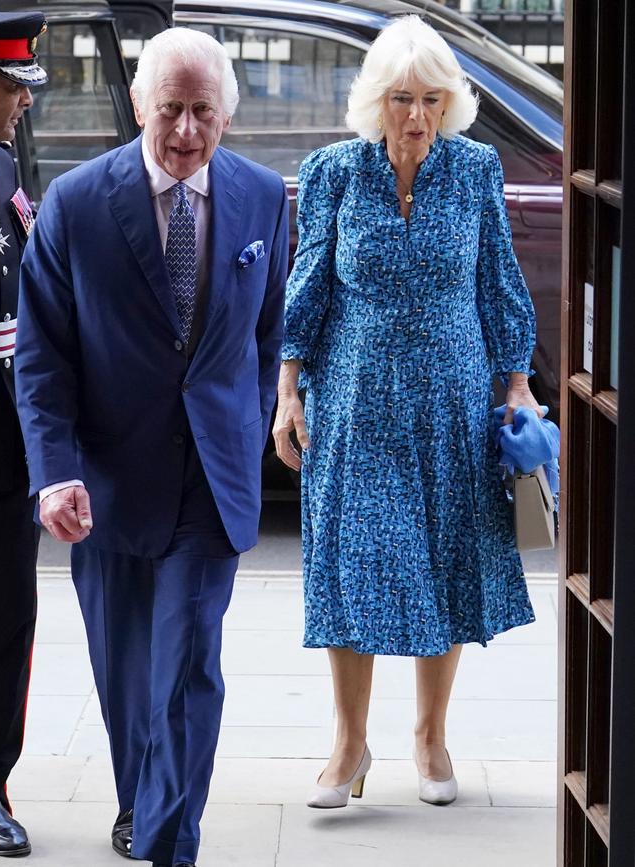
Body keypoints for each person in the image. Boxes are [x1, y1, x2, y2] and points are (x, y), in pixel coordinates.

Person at [14, 27, 288, 867]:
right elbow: (41, 355)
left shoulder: (265, 198)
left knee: (187, 667)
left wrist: (249, 423)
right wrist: (54, 473)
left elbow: (265, 335)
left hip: (213, 479)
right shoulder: (75, 203)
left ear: (228, 116)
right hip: (108, 482)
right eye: (169, 110)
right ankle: (143, 800)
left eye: (203, 112)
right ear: (138, 104)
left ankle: (170, 840)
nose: (184, 132)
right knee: (129, 672)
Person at [273, 15, 542, 810]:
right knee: (352, 566)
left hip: (451, 401)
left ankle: (430, 734)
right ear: (375, 102)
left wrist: (517, 385)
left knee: (448, 559)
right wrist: (288, 391)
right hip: (355, 401)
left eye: (431, 98)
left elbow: (498, 281)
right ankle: (349, 744)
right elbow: (309, 286)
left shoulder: (476, 170)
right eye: (400, 98)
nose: (416, 116)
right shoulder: (333, 172)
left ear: (450, 103)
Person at [0, 10, 47, 858]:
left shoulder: (3, 167)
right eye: (9, 87)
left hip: (4, 438)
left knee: (6, 617)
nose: (23, 105)